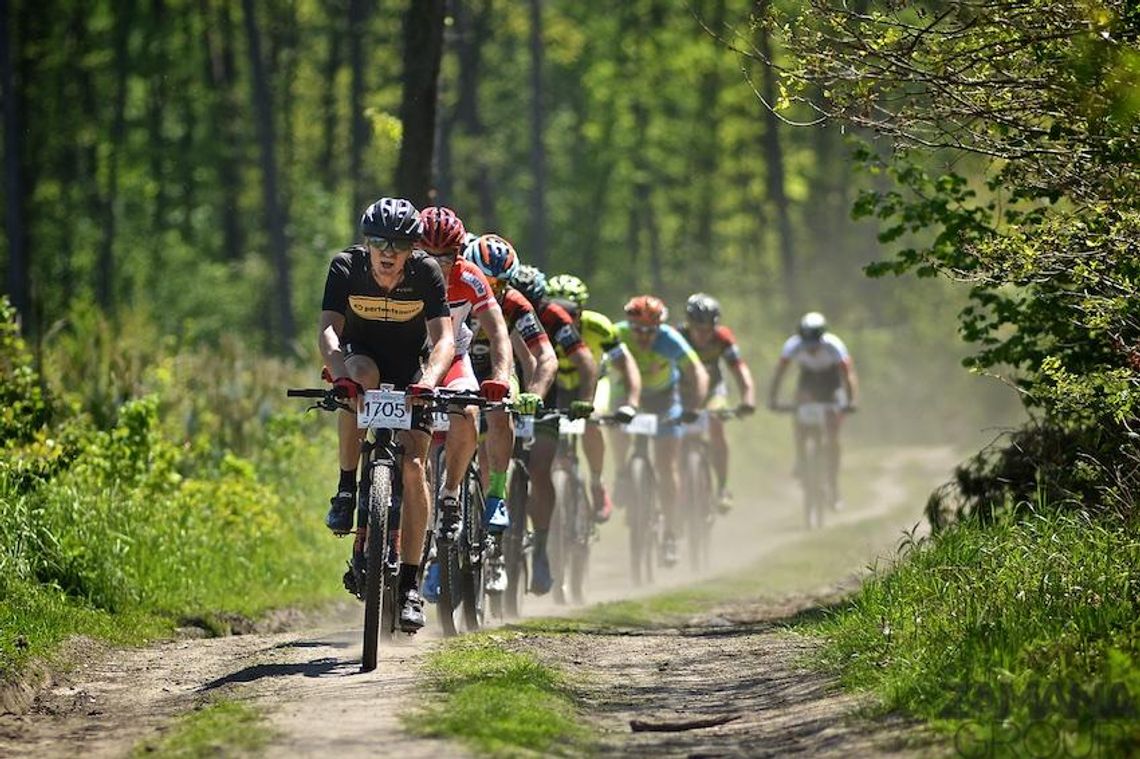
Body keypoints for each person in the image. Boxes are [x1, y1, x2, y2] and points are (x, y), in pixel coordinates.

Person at [319, 197, 454, 633]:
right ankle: (345, 490)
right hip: (363, 362)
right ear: (367, 243)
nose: (388, 251)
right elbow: (328, 330)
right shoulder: (345, 267)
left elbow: (444, 340)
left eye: (398, 243)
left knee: (415, 469)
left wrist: (430, 381)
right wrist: (339, 375)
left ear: (413, 248)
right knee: (358, 379)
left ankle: (411, 586)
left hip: (412, 373)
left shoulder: (427, 273)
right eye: (378, 241)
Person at [417, 208, 513, 546]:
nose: (436, 264)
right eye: (426, 254)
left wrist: (501, 377)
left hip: (454, 358)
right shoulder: (397, 272)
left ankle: (451, 494)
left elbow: (498, 331)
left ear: (459, 252)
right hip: (409, 359)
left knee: (469, 412)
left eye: (445, 257)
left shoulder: (471, 277)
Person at [511, 265, 598, 594]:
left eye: (533, 303)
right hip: (506, 388)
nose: (526, 310)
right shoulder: (498, 307)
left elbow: (585, 362)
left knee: (540, 467)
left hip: (545, 394)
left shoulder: (554, 316)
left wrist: (586, 400)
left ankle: (542, 552)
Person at [465, 234, 558, 528]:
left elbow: (545, 356)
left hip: (497, 371)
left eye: (501, 284)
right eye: (486, 281)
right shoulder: (450, 292)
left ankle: (496, 496)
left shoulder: (515, 303)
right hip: (457, 370)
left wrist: (535, 394)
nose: (493, 291)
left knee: (500, 411)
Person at [613, 295, 708, 568]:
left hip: (665, 398)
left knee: (667, 466)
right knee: (615, 425)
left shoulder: (669, 339)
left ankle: (670, 536)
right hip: (628, 394)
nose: (643, 337)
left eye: (649, 331)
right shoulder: (618, 334)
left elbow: (698, 373)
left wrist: (694, 407)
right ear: (629, 326)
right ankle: (621, 473)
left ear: (659, 327)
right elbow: (599, 367)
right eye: (638, 330)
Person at [545, 273, 641, 522]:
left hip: (594, 383)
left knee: (591, 422)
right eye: (558, 310)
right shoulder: (544, 324)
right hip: (558, 385)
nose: (565, 318)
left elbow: (627, 365)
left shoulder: (599, 326)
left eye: (571, 312)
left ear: (582, 310)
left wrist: (632, 402)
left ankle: (597, 484)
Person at [767, 311, 859, 508]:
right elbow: (779, 373)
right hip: (808, 382)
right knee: (799, 410)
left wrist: (850, 401)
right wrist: (773, 398)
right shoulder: (793, 345)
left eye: (815, 345)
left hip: (831, 383)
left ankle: (834, 487)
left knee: (833, 435)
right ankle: (801, 459)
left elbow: (848, 375)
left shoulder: (834, 345)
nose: (811, 350)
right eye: (807, 345)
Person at [678, 293, 757, 512]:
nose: (702, 335)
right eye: (697, 328)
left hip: (713, 391)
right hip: (681, 393)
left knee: (716, 425)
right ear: (689, 324)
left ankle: (722, 487)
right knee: (669, 436)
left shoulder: (723, 338)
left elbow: (740, 369)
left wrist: (748, 398)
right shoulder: (677, 337)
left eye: (707, 330)